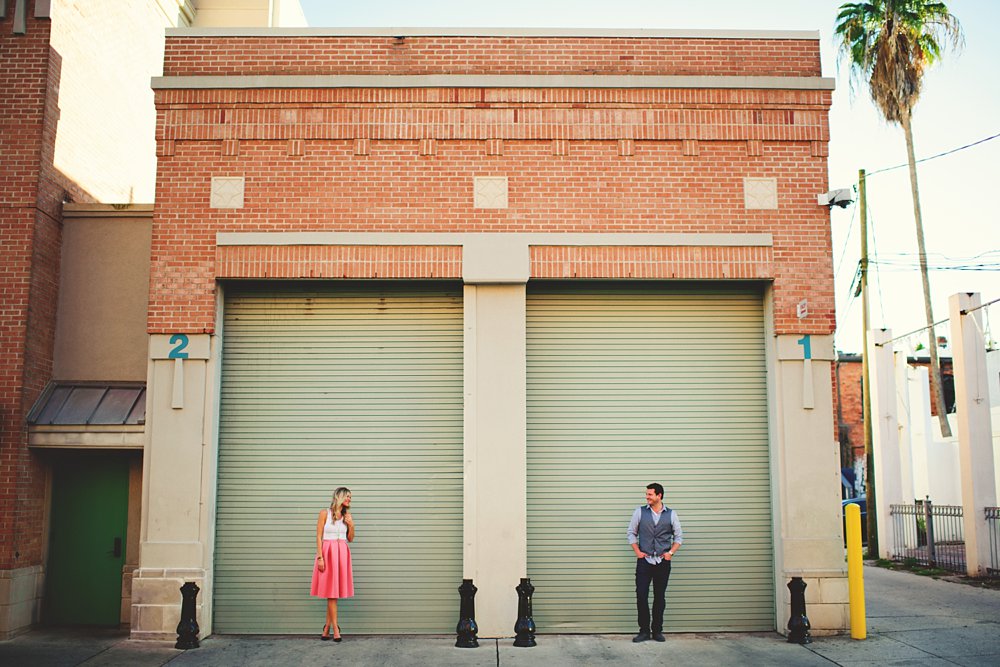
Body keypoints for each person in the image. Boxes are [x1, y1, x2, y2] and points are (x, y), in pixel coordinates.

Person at [626, 482, 683, 643]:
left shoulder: (671, 514)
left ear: (659, 496)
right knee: (641, 596)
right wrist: (637, 552)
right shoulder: (639, 512)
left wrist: (670, 553)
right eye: (647, 494)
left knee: (659, 597)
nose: (647, 497)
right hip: (644, 562)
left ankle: (657, 630)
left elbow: (679, 537)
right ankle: (643, 631)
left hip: (662, 563)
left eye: (650, 494)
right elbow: (631, 533)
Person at [310, 487, 355, 641]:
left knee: (333, 593)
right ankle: (335, 628)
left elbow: (351, 538)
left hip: (341, 552)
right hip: (328, 553)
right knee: (331, 593)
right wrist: (320, 558)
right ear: (339, 497)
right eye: (347, 496)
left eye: (350, 497)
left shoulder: (347, 516)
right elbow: (318, 536)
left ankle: (327, 627)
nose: (349, 499)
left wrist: (352, 525)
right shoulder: (324, 513)